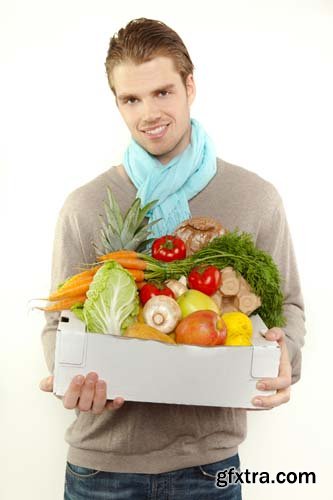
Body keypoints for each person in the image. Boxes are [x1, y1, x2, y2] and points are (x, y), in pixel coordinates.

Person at [39, 18, 306, 500]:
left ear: (190, 86)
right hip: (102, 471)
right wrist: (69, 377)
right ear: (117, 102)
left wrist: (284, 359)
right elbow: (56, 324)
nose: (148, 114)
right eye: (131, 99)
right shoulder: (85, 205)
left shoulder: (254, 197)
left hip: (210, 467)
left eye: (162, 92)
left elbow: (288, 308)